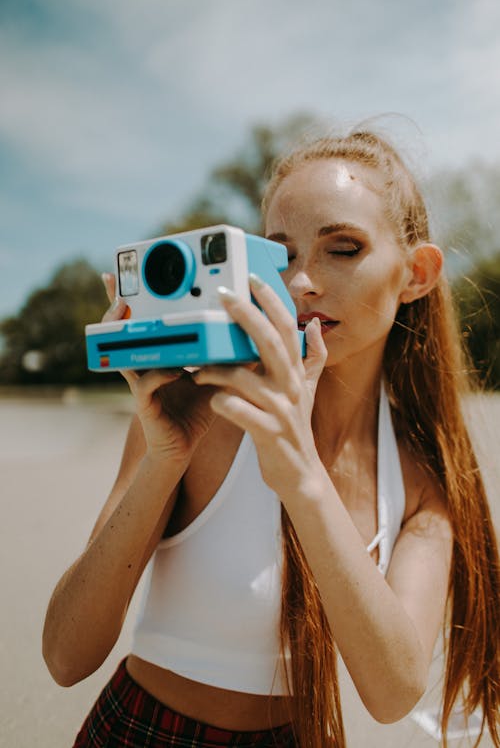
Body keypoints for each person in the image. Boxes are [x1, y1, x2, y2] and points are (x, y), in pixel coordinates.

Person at [43, 130, 500, 748]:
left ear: (416, 274)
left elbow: (393, 692)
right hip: (141, 731)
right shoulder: (197, 414)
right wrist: (162, 460)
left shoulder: (419, 478)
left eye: (343, 248)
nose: (303, 282)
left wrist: (302, 478)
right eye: (280, 256)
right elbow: (66, 657)